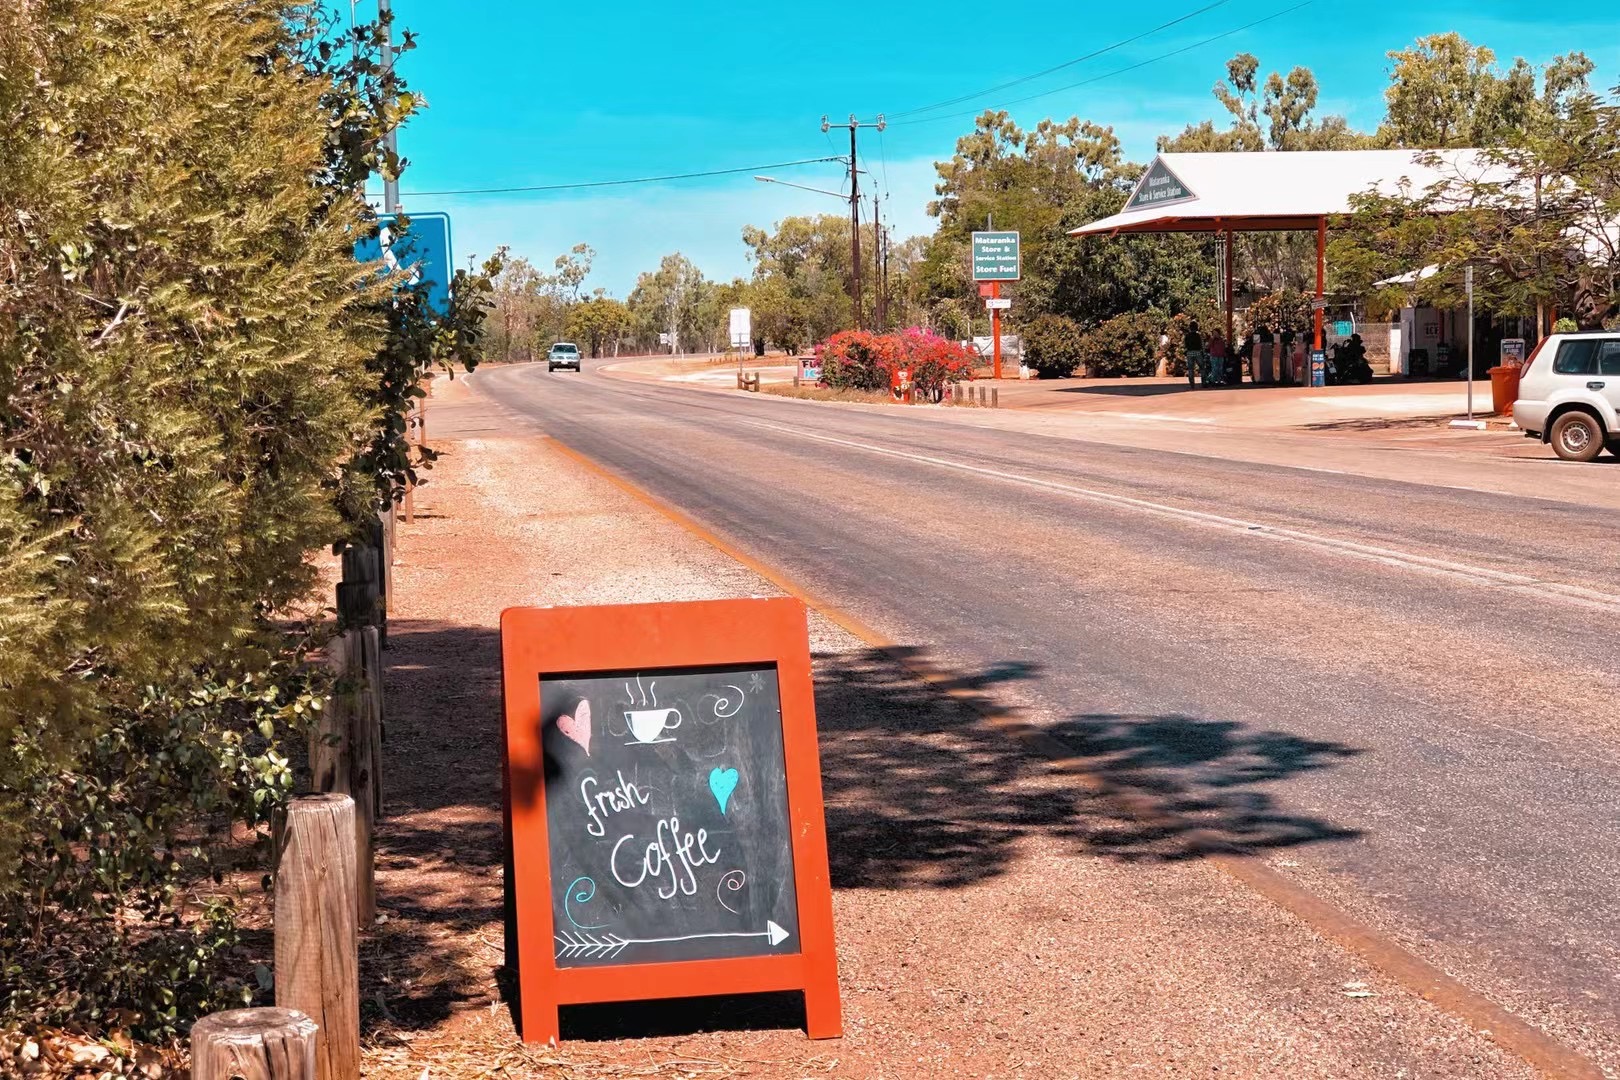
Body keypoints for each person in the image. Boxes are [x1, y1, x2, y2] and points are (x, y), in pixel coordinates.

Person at [1182, 320, 1204, 388]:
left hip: (1189, 352)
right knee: (1202, 367)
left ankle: (1192, 383)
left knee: (1191, 368)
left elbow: (1185, 344)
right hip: (1197, 352)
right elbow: (1201, 344)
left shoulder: (1187, 336)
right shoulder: (1198, 335)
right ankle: (1204, 381)